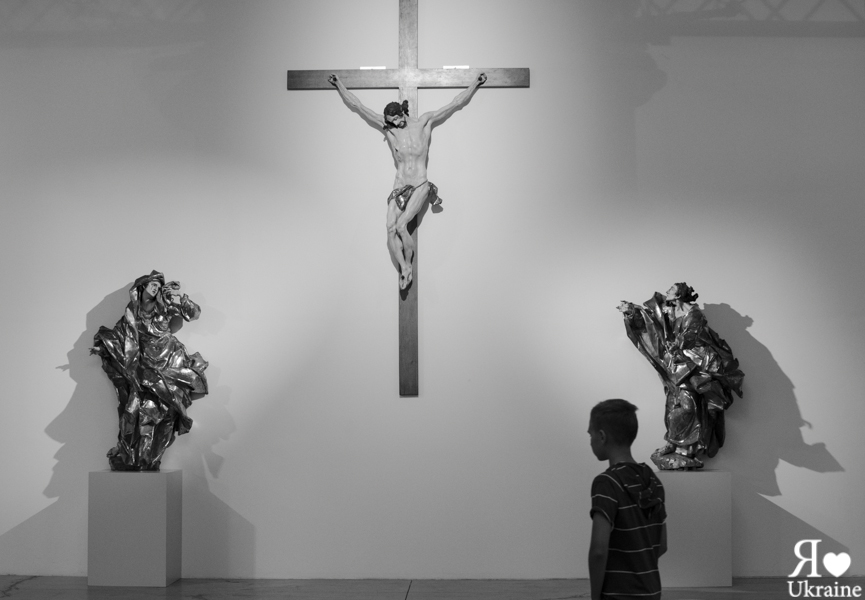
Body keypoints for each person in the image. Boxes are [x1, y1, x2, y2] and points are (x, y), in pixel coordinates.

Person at [328, 72, 487, 290]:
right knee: (390, 227)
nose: (394, 124)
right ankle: (403, 267)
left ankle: (408, 268)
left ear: (402, 112)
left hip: (420, 184)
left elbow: (454, 104)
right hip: (400, 184)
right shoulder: (391, 130)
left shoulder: (423, 122)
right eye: (391, 122)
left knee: (402, 226)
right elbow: (360, 107)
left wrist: (475, 83)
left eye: (396, 119)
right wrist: (339, 85)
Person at [618, 283, 744, 470]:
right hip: (676, 367)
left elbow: (690, 337)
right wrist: (632, 312)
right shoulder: (669, 311)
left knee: (689, 407)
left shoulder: (694, 314)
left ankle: (684, 449)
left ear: (678, 295)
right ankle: (676, 446)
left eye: (671, 290)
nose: (667, 292)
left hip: (693, 367)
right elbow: (652, 323)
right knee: (674, 405)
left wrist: (677, 345)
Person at [91, 270, 208, 471]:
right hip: (144, 365)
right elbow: (121, 334)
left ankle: (148, 456)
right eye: (152, 284)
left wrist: (182, 300)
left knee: (161, 411)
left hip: (168, 360)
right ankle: (130, 454)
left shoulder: (164, 305)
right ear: (142, 286)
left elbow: (193, 314)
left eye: (158, 286)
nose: (155, 288)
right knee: (132, 410)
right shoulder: (132, 311)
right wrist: (104, 347)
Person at [588, 399, 667, 600]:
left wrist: (595, 597)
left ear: (602, 436)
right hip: (652, 591)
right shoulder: (653, 481)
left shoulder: (607, 483)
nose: (590, 441)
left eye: (590, 434)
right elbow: (662, 544)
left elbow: (598, 550)